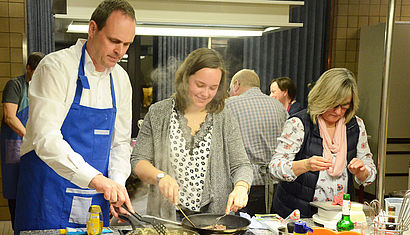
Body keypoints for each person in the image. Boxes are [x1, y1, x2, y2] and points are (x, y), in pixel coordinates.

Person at [14, 0, 136, 233]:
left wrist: (117, 185)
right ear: (92, 29)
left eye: (127, 44)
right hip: (46, 196)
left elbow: (120, 144)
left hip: (94, 202)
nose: (120, 51)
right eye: (114, 41)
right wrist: (97, 179)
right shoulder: (56, 68)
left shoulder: (120, 80)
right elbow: (45, 138)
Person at [131, 48, 253, 220]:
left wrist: (241, 186)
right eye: (200, 85)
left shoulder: (224, 117)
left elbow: (242, 165)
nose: (205, 93)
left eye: (213, 87)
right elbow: (138, 161)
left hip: (212, 218)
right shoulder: (159, 113)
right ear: (185, 78)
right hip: (167, 217)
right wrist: (160, 177)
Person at [269, 68, 377, 218]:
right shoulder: (299, 124)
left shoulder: (356, 126)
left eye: (345, 106)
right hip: (297, 214)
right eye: (334, 105)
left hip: (338, 215)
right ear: (322, 98)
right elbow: (275, 168)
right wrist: (306, 165)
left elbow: (370, 170)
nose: (339, 112)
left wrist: (362, 171)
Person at [225, 69, 287, 215]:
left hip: (244, 185)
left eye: (230, 89)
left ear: (236, 84)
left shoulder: (228, 105)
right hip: (275, 183)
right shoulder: (279, 106)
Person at [0, 52, 44, 229]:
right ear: (28, 69)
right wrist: (30, 137)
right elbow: (10, 117)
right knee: (15, 187)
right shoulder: (15, 85)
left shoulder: (43, 87)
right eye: (37, 72)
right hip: (15, 143)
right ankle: (17, 228)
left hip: (36, 143)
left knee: (35, 186)